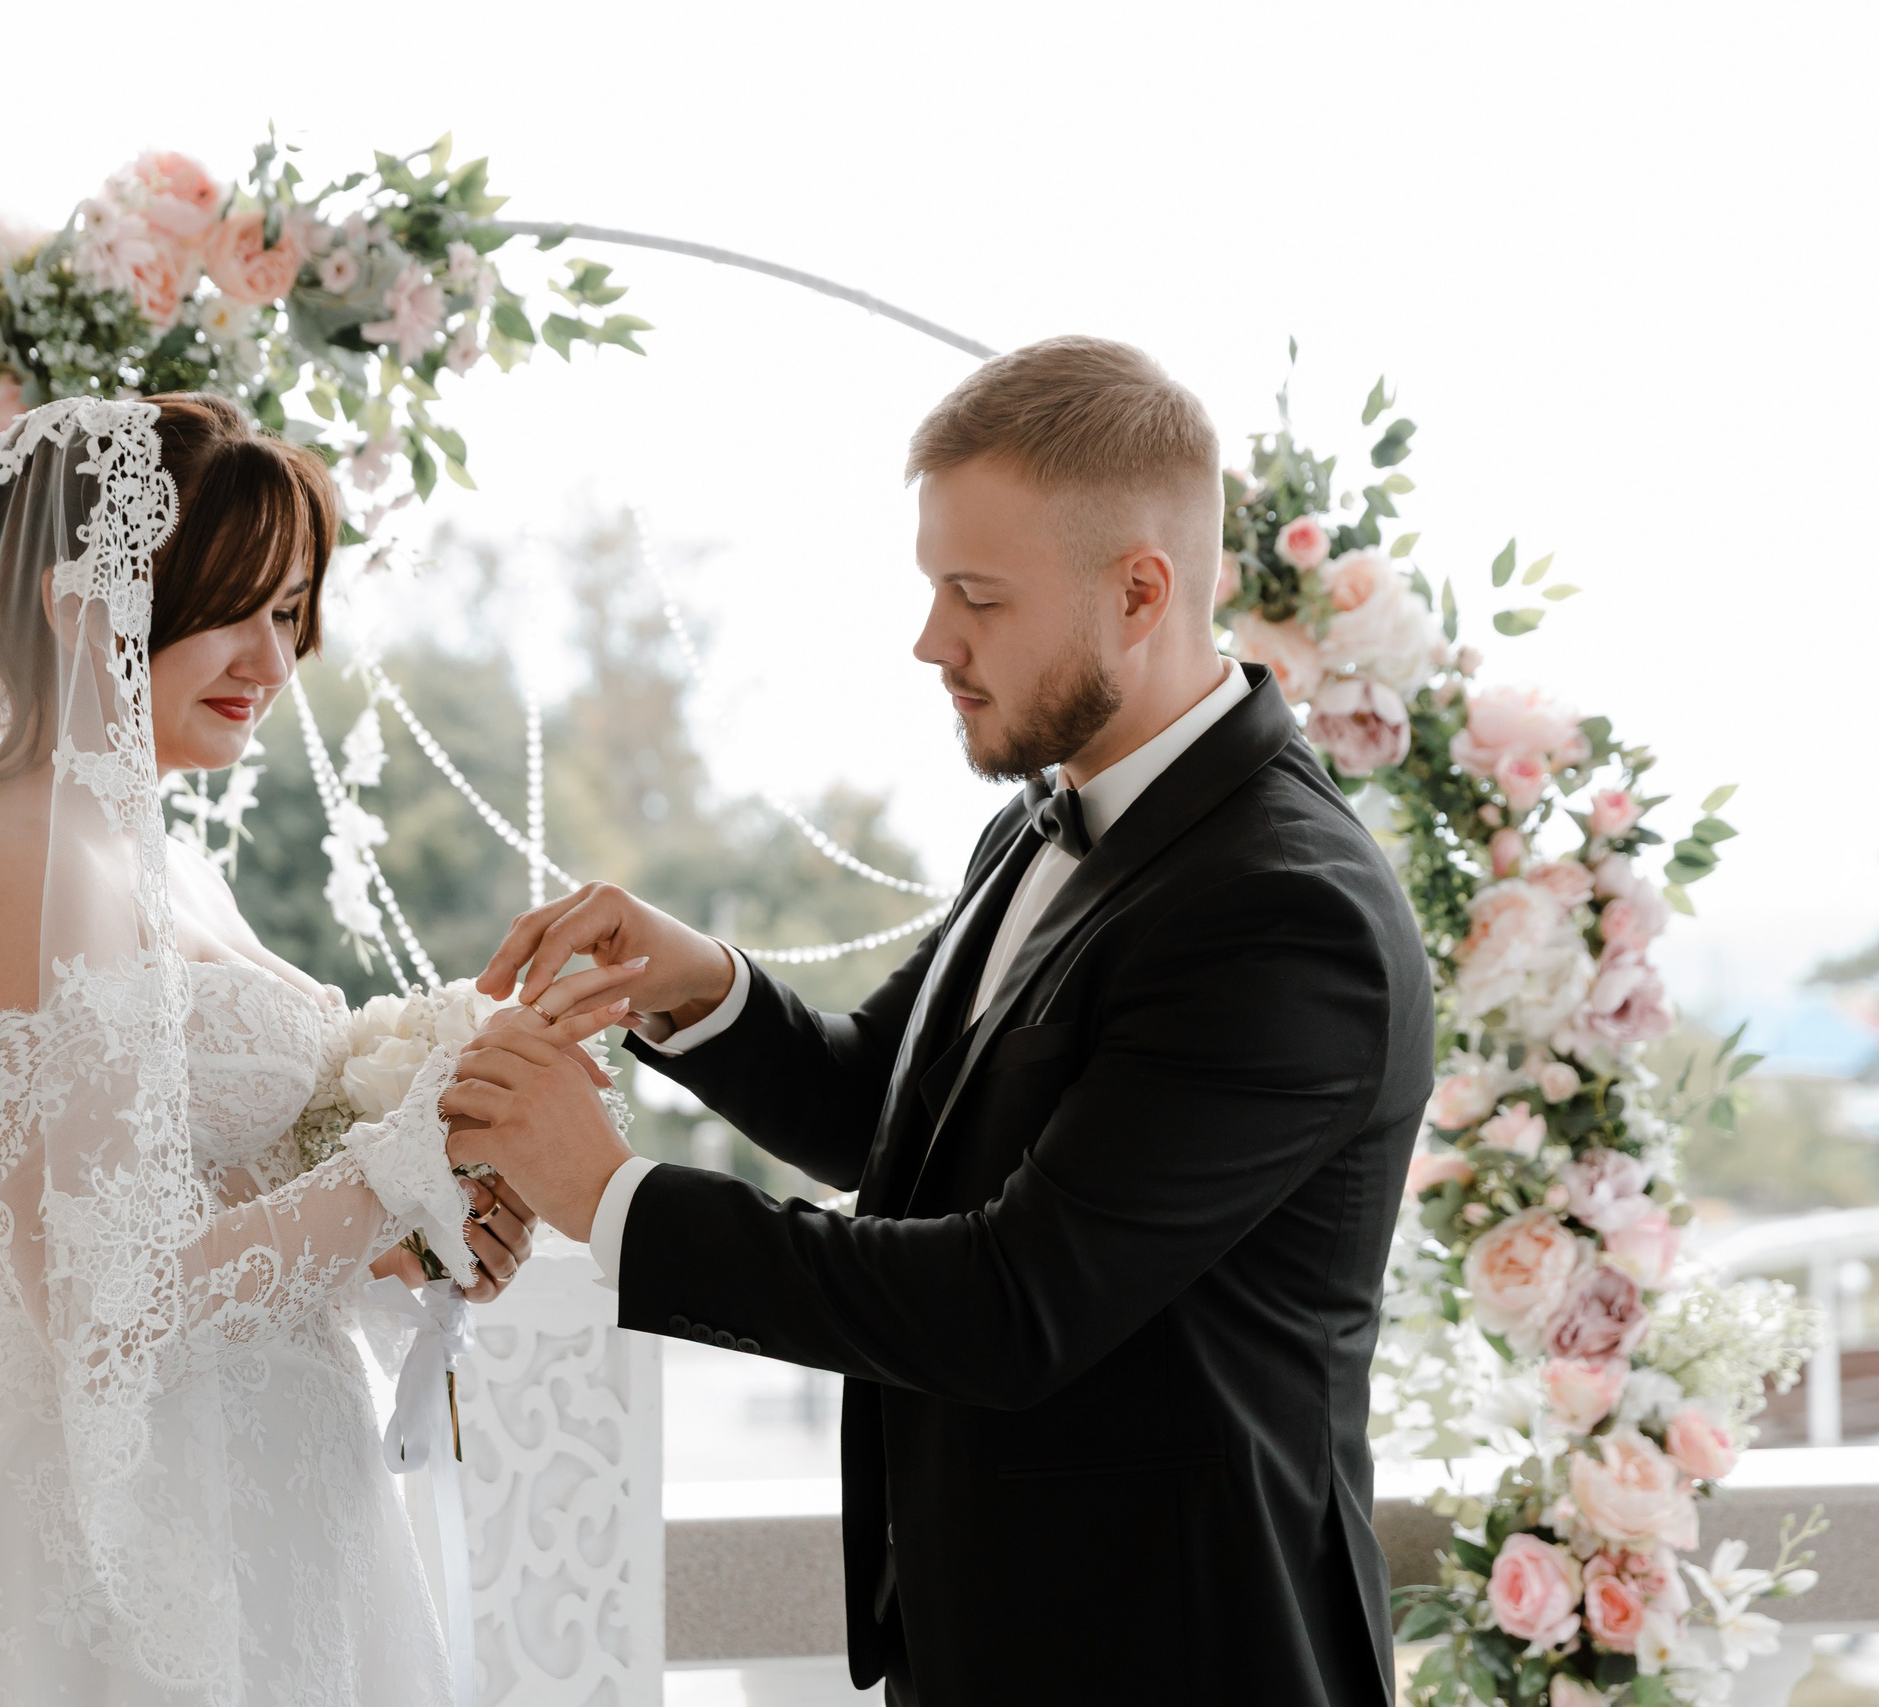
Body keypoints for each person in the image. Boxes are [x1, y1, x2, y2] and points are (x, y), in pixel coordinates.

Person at [447, 337, 1436, 1704]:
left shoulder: (1282, 916)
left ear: (1140, 589)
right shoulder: (1036, 825)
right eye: (932, 589)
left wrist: (610, 1196)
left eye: (975, 597)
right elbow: (883, 1119)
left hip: (1179, 1656)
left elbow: (1009, 1304)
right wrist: (698, 986)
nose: (932, 641)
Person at [0, 392, 634, 1706]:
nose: (271, 657)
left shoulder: (162, 855)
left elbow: (203, 1207)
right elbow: (98, 1300)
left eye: (290, 614)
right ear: (80, 606)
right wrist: (402, 1163)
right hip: (93, 1523)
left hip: (265, 1482)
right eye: (233, 607)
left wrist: (414, 1231)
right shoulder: (6, 858)